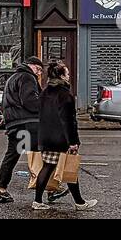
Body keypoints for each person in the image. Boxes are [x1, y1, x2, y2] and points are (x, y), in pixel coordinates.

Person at [31, 61, 96, 211]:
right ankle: (80, 202)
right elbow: (68, 121)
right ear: (61, 76)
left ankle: (37, 201)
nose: (68, 75)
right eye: (66, 73)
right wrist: (73, 142)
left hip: (46, 137)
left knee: (47, 167)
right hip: (61, 139)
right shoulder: (65, 95)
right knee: (69, 169)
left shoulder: (44, 92)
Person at [0, 56, 44, 203]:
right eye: (38, 69)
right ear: (31, 66)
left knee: (12, 155)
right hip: (27, 123)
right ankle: (53, 187)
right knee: (49, 150)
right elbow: (29, 101)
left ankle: (1, 189)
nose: (39, 73)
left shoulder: (13, 77)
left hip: (14, 123)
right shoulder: (27, 77)